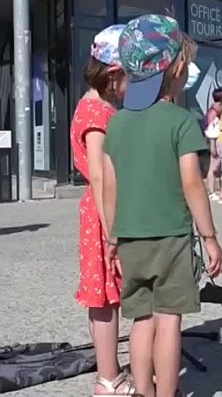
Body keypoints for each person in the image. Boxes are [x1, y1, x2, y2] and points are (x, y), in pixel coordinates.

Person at [102, 14, 222, 397]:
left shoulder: (117, 124)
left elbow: (109, 185)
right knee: (169, 320)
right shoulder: (180, 122)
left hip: (130, 239)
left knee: (141, 319)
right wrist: (210, 238)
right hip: (171, 237)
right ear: (174, 68)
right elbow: (192, 184)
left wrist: (112, 239)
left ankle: (143, 390)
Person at [69, 24, 136, 396]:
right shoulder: (96, 111)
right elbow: (98, 174)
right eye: (131, 77)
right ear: (113, 76)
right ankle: (108, 378)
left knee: (107, 295)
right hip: (102, 213)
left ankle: (110, 371)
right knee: (105, 299)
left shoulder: (99, 104)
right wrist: (114, 231)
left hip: (103, 210)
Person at [204, 88, 222, 201]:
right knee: (213, 167)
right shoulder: (213, 112)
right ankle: (211, 192)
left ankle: (221, 190)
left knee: (220, 168)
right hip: (215, 141)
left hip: (221, 141)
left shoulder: (220, 110)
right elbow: (211, 130)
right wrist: (212, 145)